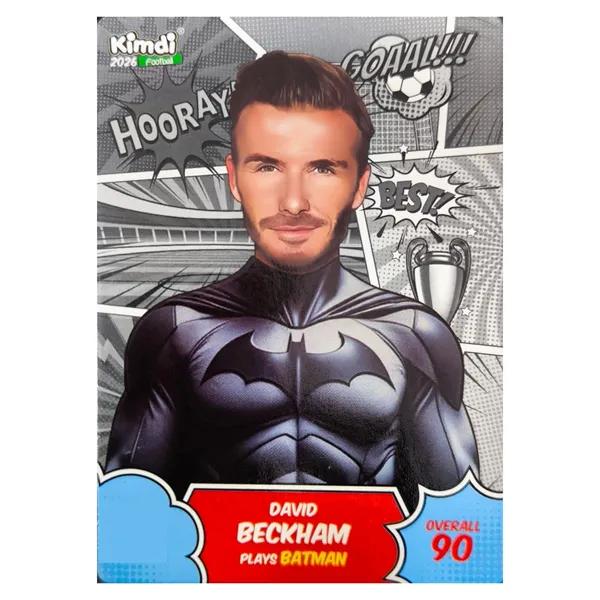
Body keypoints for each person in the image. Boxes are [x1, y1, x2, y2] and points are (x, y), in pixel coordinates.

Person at [105, 51, 479, 511]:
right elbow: (128, 522)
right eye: (267, 167)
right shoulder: (175, 334)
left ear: (361, 185)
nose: (295, 202)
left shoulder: (416, 337)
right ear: (234, 179)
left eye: (323, 168)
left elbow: (459, 523)